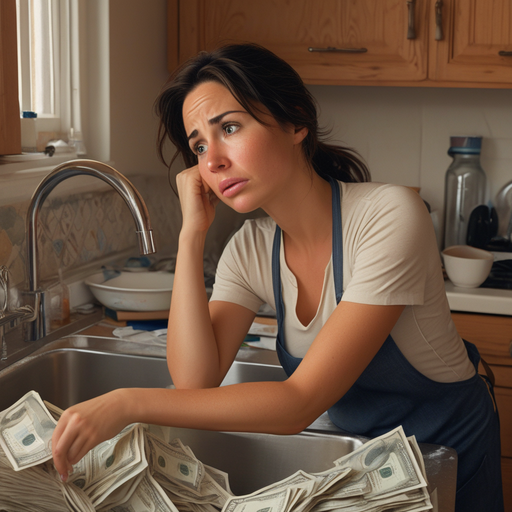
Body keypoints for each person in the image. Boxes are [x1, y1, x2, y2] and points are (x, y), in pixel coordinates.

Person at [51, 43, 503, 511]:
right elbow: (194, 381)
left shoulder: (388, 216)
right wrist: (191, 236)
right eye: (199, 146)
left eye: (229, 128)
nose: (213, 160)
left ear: (295, 122)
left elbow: (298, 403)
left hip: (448, 463)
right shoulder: (250, 248)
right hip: (366, 470)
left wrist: (127, 403)